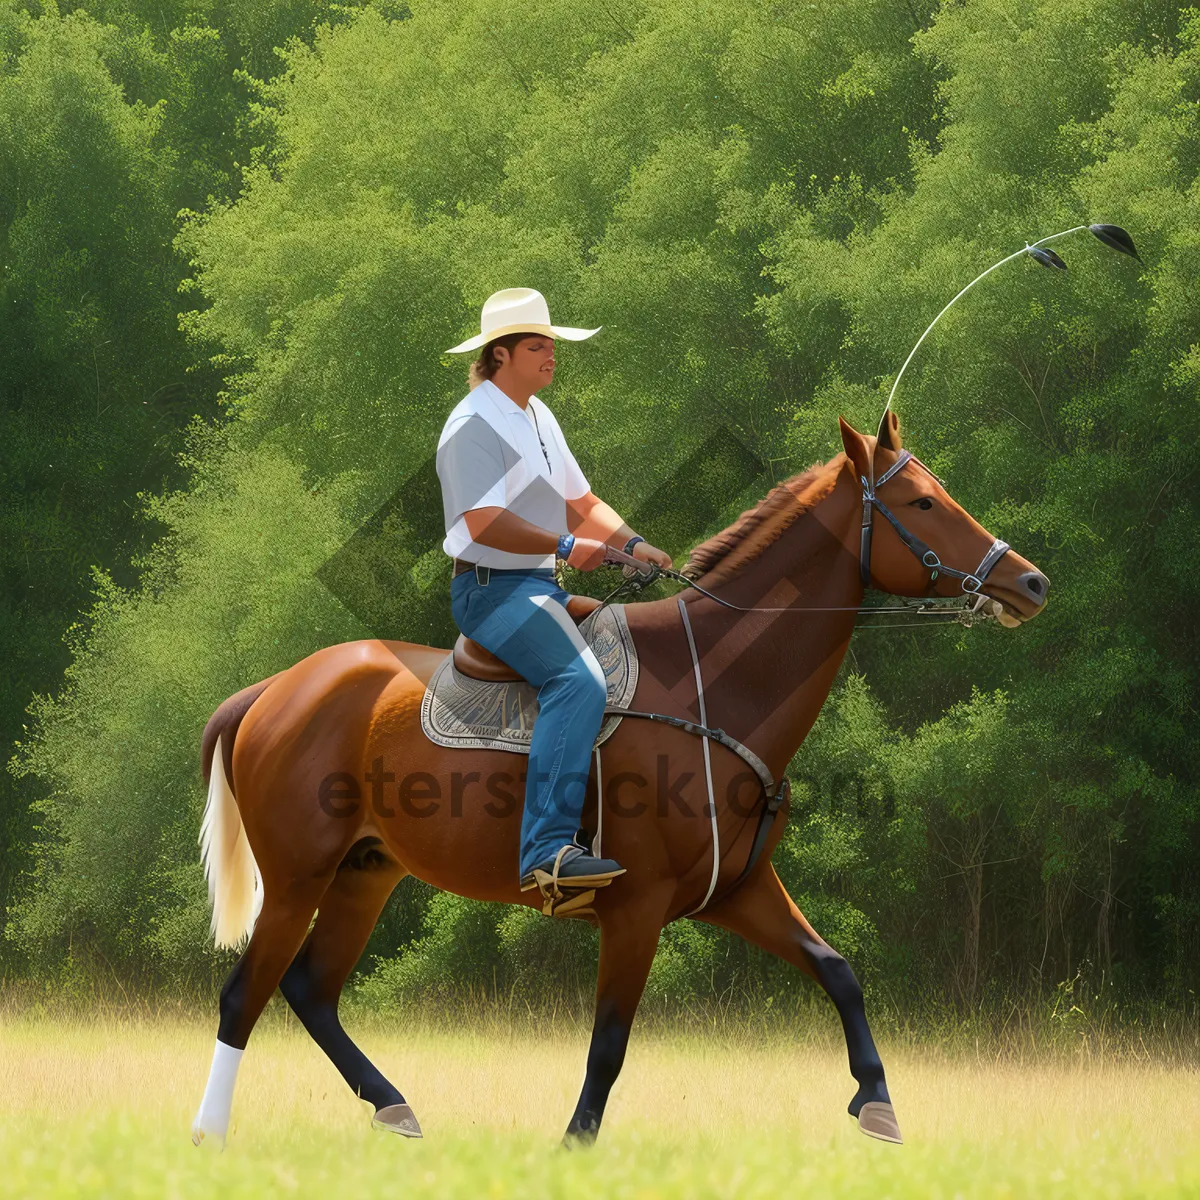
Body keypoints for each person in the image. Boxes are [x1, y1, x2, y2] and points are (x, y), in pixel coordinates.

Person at [437, 287, 672, 894]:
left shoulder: (540, 417)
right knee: (578, 680)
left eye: (551, 345)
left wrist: (633, 542)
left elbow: (580, 503)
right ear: (501, 355)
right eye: (539, 345)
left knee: (637, 642)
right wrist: (569, 548)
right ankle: (546, 854)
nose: (552, 355)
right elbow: (481, 523)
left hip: (539, 585)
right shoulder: (470, 425)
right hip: (490, 592)